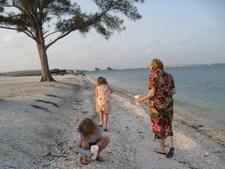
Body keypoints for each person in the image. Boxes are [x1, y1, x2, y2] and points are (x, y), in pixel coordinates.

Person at [135, 58, 176, 158]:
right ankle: (171, 146)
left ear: (153, 66)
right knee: (167, 124)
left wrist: (141, 99)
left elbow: (152, 93)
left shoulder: (153, 76)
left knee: (158, 125)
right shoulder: (169, 76)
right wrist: (165, 92)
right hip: (168, 104)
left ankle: (162, 149)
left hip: (156, 105)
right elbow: (173, 91)